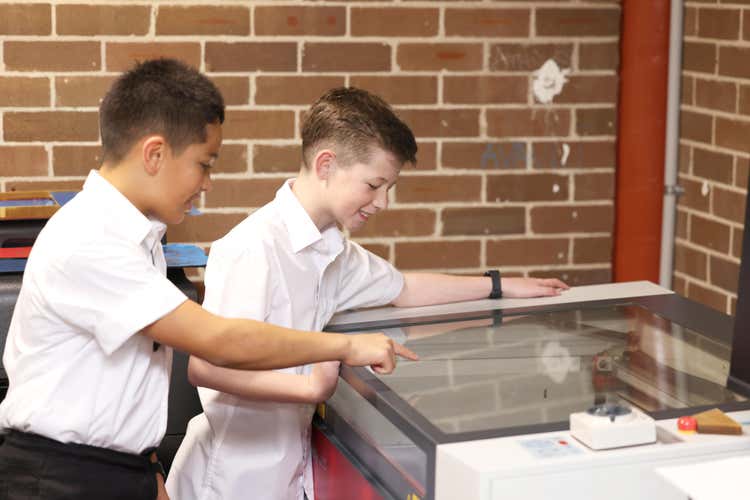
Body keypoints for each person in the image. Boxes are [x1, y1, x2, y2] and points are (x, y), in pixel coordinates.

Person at [0, 61, 416, 500]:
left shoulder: (138, 238)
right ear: (155, 154)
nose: (208, 183)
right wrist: (347, 345)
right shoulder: (91, 238)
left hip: (121, 469)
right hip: (58, 478)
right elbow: (219, 341)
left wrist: (150, 474)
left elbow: (125, 394)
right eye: (203, 164)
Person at [166, 87, 569, 500]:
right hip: (232, 478)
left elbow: (404, 288)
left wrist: (498, 285)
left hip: (289, 470)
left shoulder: (333, 249)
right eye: (374, 184)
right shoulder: (254, 248)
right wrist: (312, 386)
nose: (384, 202)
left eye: (389, 187)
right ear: (326, 164)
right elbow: (206, 368)